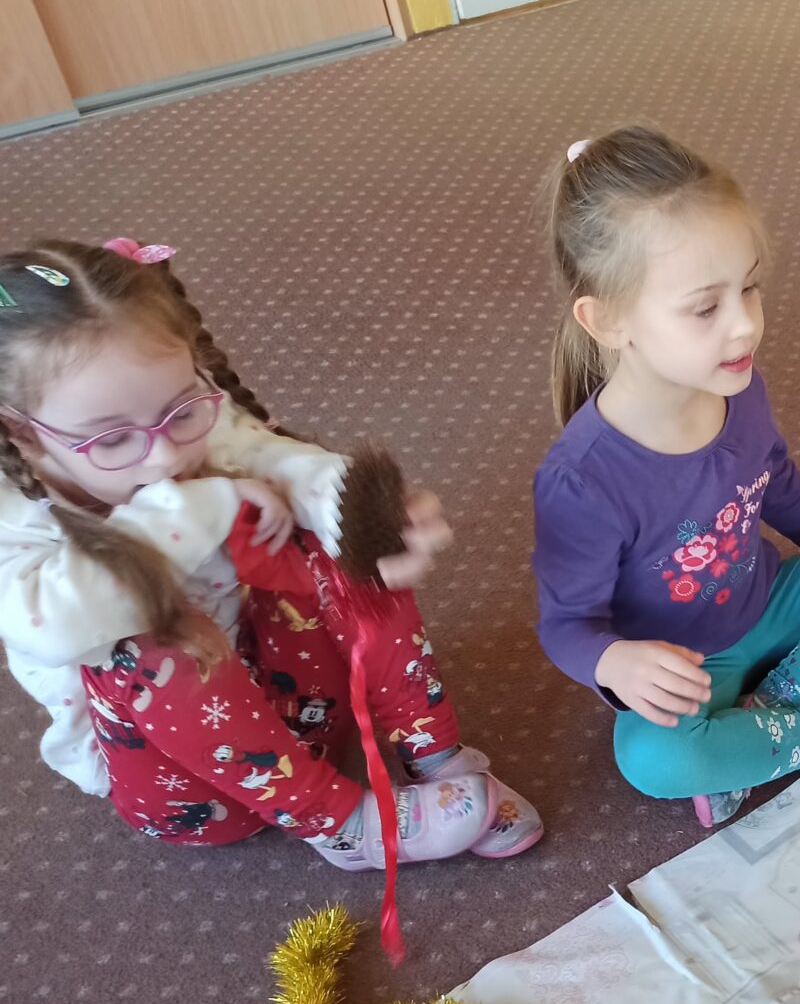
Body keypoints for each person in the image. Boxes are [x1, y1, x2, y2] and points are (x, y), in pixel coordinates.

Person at [0, 238, 540, 864]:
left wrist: (368, 518)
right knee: (137, 630)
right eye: (113, 440)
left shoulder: (181, 415)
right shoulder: (15, 519)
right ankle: (345, 826)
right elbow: (53, 625)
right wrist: (201, 503)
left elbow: (283, 464)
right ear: (22, 434)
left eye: (183, 410)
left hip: (305, 713)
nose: (166, 456)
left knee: (325, 532)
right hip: (193, 790)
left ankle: (436, 755)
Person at [532, 127, 800, 829]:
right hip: (690, 668)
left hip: (770, 604)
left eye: (749, 288)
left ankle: (766, 716)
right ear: (608, 321)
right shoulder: (581, 481)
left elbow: (778, 485)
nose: (745, 326)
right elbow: (566, 625)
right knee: (652, 760)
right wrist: (615, 663)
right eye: (706, 307)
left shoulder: (737, 385)